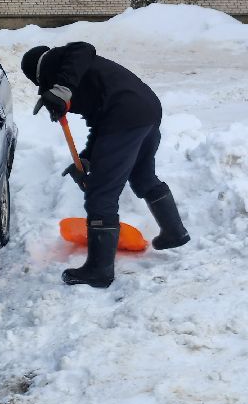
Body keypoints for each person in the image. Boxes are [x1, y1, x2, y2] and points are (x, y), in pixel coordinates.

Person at [21, 42, 189, 289]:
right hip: (145, 110)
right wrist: (88, 158)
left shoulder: (63, 61)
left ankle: (99, 270)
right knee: (143, 177)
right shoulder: (82, 76)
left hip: (125, 115)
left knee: (101, 194)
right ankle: (174, 232)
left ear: (39, 75)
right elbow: (98, 121)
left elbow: (83, 47)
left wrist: (62, 89)